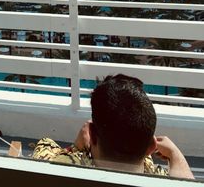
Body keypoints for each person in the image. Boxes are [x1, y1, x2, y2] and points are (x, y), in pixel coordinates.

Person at [32, 74, 194, 179]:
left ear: (92, 135)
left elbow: (44, 150)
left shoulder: (66, 169)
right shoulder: (160, 179)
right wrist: (175, 155)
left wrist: (76, 148)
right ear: (152, 147)